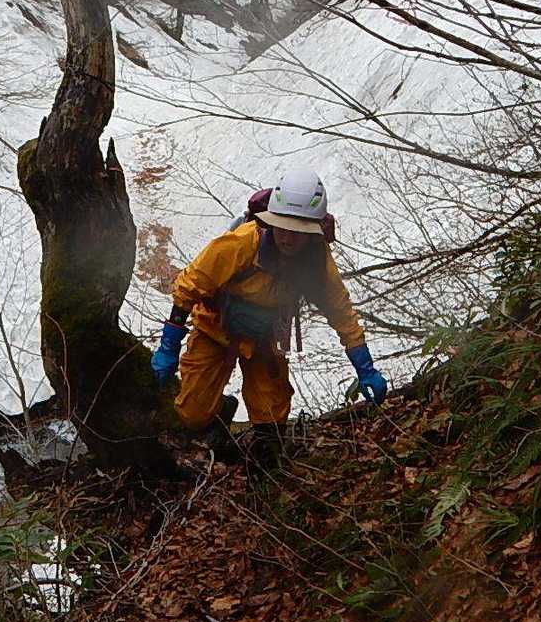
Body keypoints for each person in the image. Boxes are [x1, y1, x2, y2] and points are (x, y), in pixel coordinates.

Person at [150, 166, 388, 467]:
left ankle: (265, 466)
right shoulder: (242, 244)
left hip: (264, 340)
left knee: (272, 418)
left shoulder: (316, 261)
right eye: (282, 227)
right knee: (192, 414)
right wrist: (168, 347)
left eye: (298, 231)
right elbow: (189, 286)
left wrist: (365, 368)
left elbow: (341, 312)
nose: (288, 238)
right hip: (214, 330)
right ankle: (219, 414)